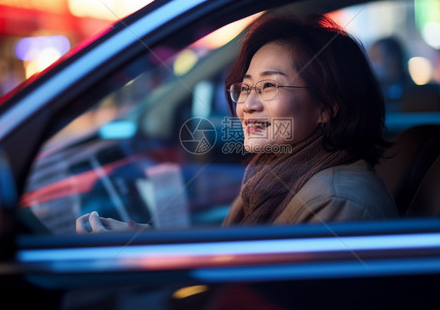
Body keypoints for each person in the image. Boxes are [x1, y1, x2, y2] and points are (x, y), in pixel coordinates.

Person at [76, 12, 397, 234]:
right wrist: (142, 241)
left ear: (328, 107)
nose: (248, 105)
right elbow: (227, 261)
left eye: (269, 86)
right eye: (245, 88)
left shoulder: (338, 202)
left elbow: (263, 302)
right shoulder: (274, 172)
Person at [368, 36, 415, 112]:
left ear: (394, 57)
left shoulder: (413, 92)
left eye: (376, 57)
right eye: (371, 58)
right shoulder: (370, 92)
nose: (373, 63)